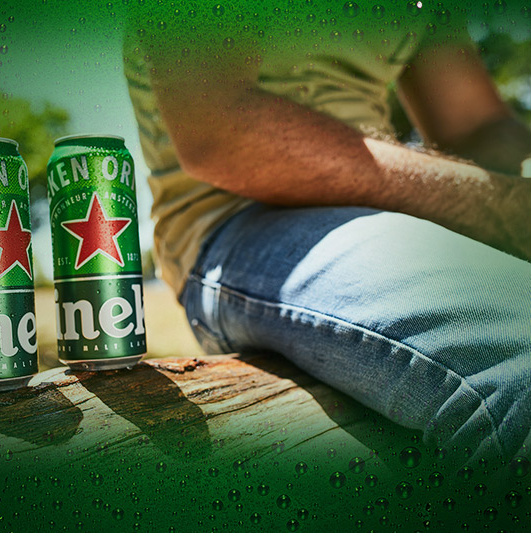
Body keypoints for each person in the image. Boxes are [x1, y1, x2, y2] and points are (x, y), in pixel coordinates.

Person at [124, 2, 530, 464]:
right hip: (234, 224)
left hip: (393, 211)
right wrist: (494, 204)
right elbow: (219, 128)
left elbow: (478, 126)